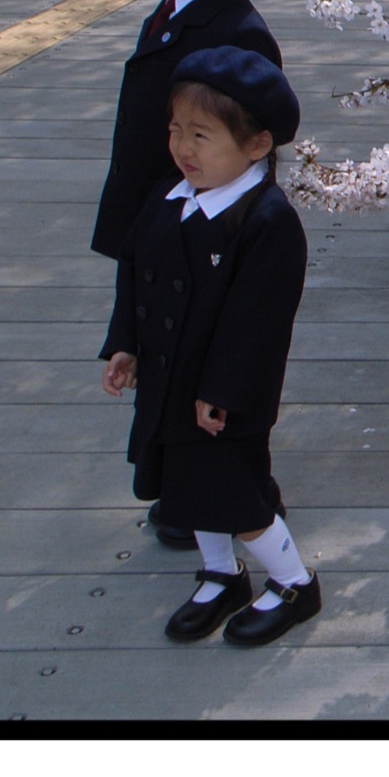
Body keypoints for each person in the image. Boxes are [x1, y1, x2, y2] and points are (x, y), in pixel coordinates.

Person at [92, 0, 286, 546]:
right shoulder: (175, 7)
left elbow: (247, 145)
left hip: (203, 234)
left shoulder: (237, 31)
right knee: (164, 365)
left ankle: (238, 500)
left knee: (208, 366)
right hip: (160, 218)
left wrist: (224, 229)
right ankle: (185, 493)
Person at [99, 45, 321, 646]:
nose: (182, 148)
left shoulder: (266, 221)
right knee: (187, 486)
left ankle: (294, 582)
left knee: (237, 495)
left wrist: (222, 390)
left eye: (201, 135)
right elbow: (133, 273)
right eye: (175, 130)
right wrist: (125, 345)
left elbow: (257, 322)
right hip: (169, 378)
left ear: (256, 145)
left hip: (224, 396)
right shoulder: (166, 200)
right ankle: (221, 575)